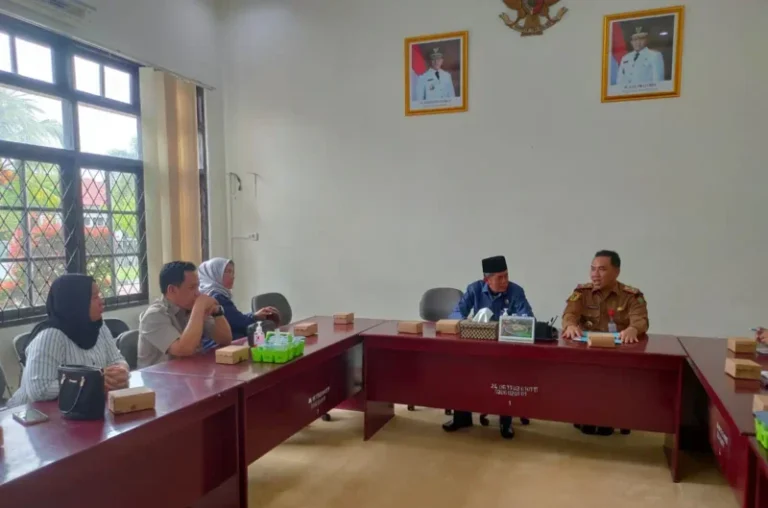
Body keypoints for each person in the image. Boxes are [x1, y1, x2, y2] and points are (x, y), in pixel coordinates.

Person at [444, 255, 534, 440]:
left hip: (506, 351)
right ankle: (462, 417)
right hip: (479, 348)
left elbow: (528, 319)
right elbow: (455, 314)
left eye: (507, 275)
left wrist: (510, 325)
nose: (505, 281)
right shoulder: (474, 289)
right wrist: (466, 322)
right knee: (459, 368)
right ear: (487, 280)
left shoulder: (516, 291)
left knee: (506, 374)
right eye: (500, 277)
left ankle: (505, 421)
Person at [561, 249, 649, 436]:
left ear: (616, 272)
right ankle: (586, 417)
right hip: (588, 353)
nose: (595, 274)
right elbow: (569, 314)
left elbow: (640, 319)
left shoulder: (631, 296)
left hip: (617, 354)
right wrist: (570, 325)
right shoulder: (582, 293)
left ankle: (610, 418)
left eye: (601, 269)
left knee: (614, 378)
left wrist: (633, 329)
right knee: (582, 375)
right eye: (593, 269)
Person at [7, 274, 129, 407]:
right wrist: (91, 382)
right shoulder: (50, 336)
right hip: (31, 414)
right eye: (94, 297)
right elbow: (39, 390)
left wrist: (121, 371)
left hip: (81, 407)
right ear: (76, 303)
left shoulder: (98, 326)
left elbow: (116, 359)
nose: (101, 301)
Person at [137, 261, 232, 369]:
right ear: (172, 290)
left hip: (190, 372)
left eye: (198, 287)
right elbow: (184, 349)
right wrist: (199, 307)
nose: (198, 293)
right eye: (192, 288)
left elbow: (225, 339)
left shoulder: (190, 307)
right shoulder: (153, 316)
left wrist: (217, 312)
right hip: (158, 378)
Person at [198, 257, 280, 339]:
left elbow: (235, 317)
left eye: (233, 272)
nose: (233, 276)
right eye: (228, 271)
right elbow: (240, 323)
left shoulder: (211, 294)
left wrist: (255, 315)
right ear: (215, 274)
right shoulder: (217, 297)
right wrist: (255, 316)